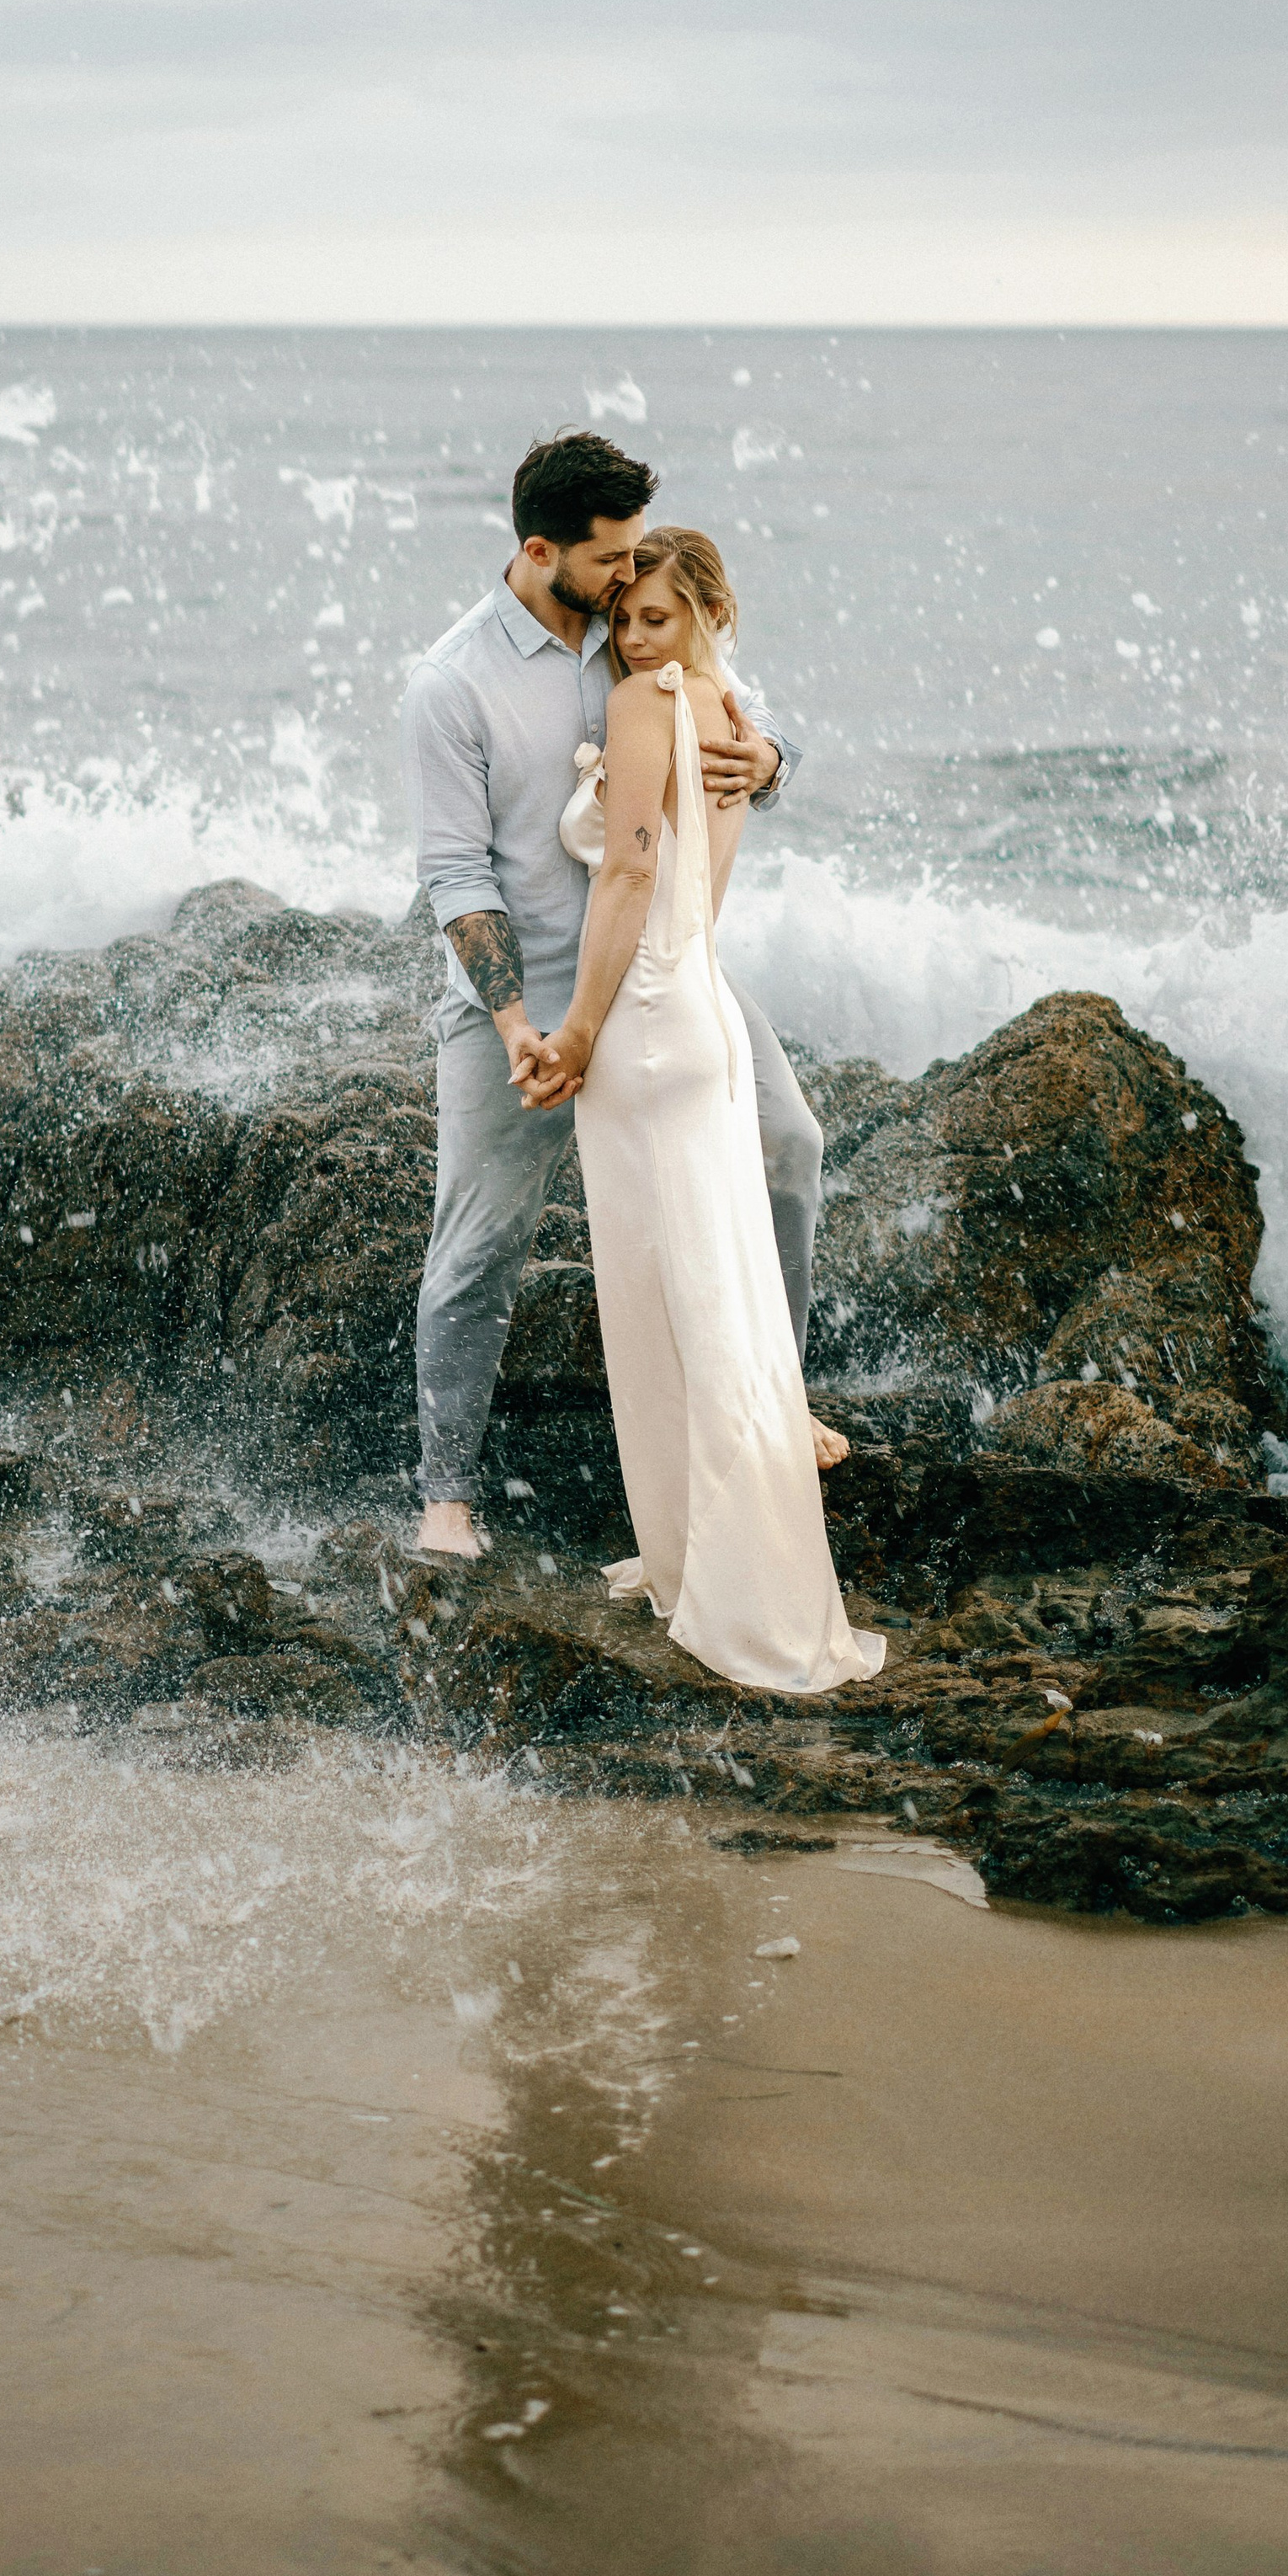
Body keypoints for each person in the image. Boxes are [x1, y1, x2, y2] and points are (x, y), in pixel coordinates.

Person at [401, 430, 841, 1565]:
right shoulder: (454, 685)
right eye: (610, 558)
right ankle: (447, 1495)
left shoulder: (634, 620)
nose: (630, 579)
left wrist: (773, 759)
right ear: (543, 550)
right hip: (529, 998)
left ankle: (776, 1400)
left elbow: (736, 698)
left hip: (665, 971)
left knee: (789, 1147)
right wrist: (516, 1027)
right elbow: (454, 874)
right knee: (481, 1242)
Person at [521, 526, 884, 1691]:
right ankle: (717, 1564)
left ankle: (725, 1583)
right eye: (623, 621)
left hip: (644, 1018)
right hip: (705, 1007)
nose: (631, 639)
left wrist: (577, 1028)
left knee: (664, 1306)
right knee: (712, 1292)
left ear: (710, 613)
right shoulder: (730, 714)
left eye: (655, 619)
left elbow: (627, 873)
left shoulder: (642, 711)